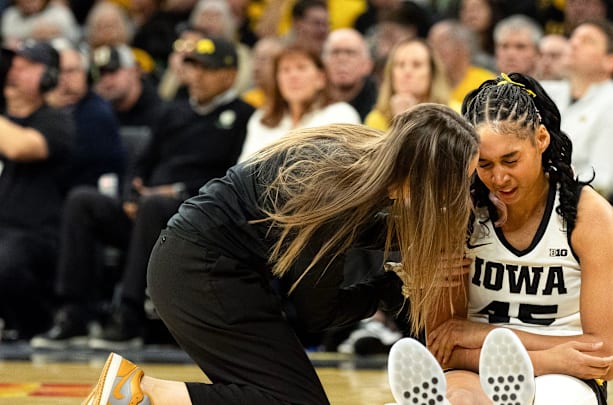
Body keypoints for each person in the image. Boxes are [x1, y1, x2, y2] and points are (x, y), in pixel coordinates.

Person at [82, 102, 480, 405]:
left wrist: (409, 256)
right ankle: (138, 391)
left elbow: (365, 228)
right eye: (459, 182)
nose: (462, 193)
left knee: (282, 393)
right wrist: (394, 287)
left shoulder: (359, 155)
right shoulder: (334, 193)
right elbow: (316, 314)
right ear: (430, 175)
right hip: (199, 273)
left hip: (203, 261)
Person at [387, 73, 613, 405]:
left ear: (541, 139)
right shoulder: (457, 215)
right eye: (484, 164)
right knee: (457, 397)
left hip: (564, 376)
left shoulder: (590, 217)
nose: (499, 177)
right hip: (491, 368)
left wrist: (478, 333)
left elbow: (606, 357)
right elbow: (442, 348)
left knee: (552, 399)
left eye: (511, 160)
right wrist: (551, 353)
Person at [29, 36, 255, 351]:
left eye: (208, 69)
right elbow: (140, 163)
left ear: (229, 75)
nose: (198, 76)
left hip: (199, 218)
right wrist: (130, 194)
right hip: (148, 210)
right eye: (194, 67)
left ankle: (129, 315)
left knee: (154, 204)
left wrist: (177, 191)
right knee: (83, 201)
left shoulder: (245, 116)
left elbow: (233, 177)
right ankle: (74, 312)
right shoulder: (172, 112)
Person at [0, 39, 74, 339]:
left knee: (5, 261)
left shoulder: (57, 121)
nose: (15, 70)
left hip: (35, 234)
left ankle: (36, 324)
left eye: (28, 66)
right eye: (14, 64)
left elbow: (20, 147)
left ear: (50, 77)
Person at [542, 19, 613, 201]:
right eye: (573, 38)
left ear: (610, 61)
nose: (574, 44)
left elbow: (602, 181)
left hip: (575, 206)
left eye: (587, 41)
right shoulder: (546, 92)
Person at [237, 44, 360, 162]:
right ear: (277, 80)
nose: (293, 76)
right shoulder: (261, 119)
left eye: (301, 68)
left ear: (320, 78)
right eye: (285, 70)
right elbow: (245, 169)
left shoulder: (340, 114)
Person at [44, 39, 126, 194]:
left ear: (86, 74)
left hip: (85, 196)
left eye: (71, 71)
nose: (63, 79)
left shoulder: (97, 112)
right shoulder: (46, 109)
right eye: (58, 72)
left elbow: (67, 162)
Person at [365, 38, 452, 131]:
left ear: (432, 73)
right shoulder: (376, 119)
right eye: (400, 65)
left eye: (416, 65)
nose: (407, 72)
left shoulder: (454, 114)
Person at [427, 19, 495, 107]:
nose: (433, 50)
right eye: (431, 43)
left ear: (463, 47)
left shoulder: (486, 85)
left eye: (441, 42)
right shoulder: (427, 84)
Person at [321, 28, 377, 120]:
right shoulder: (310, 102)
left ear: (367, 65)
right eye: (335, 52)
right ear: (323, 63)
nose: (342, 59)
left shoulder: (379, 104)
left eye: (350, 53)